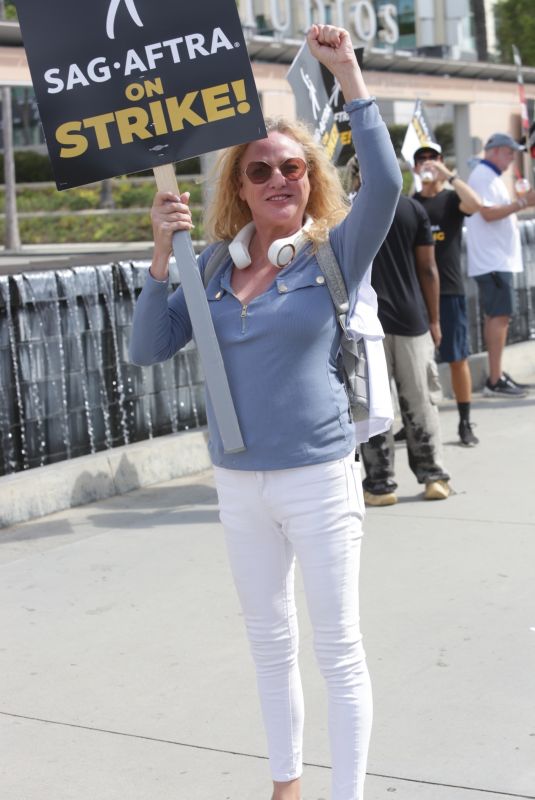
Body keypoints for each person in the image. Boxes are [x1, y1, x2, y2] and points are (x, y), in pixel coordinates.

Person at [130, 24, 402, 800]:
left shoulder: (330, 255)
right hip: (238, 481)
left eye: (291, 167)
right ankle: (285, 785)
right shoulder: (211, 264)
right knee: (267, 643)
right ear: (238, 186)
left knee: (337, 648)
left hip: (318, 478)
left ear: (308, 179)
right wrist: (160, 258)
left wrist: (350, 77)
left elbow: (383, 187)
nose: (278, 178)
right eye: (261, 170)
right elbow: (150, 348)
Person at [360, 194, 451, 506]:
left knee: (373, 406)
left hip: (367, 323)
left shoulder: (349, 208)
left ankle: (380, 484)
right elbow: (428, 268)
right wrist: (435, 319)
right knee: (421, 401)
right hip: (412, 318)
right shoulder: (412, 208)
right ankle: (434, 477)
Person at [412, 141, 482, 446]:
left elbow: (477, 204)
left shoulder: (452, 199)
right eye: (421, 158)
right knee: (415, 364)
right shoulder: (412, 204)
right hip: (416, 295)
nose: (427, 162)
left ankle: (465, 422)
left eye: (432, 157)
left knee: (457, 358)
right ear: (414, 166)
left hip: (450, 290)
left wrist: (448, 174)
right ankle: (415, 421)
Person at [466, 132, 535, 396]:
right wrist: (521, 203)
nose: (511, 158)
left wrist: (518, 202)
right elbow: (488, 212)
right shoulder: (483, 176)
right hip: (493, 260)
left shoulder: (488, 176)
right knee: (499, 317)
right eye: (508, 152)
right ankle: (494, 380)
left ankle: (496, 375)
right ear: (494, 151)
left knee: (498, 316)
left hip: (496, 259)